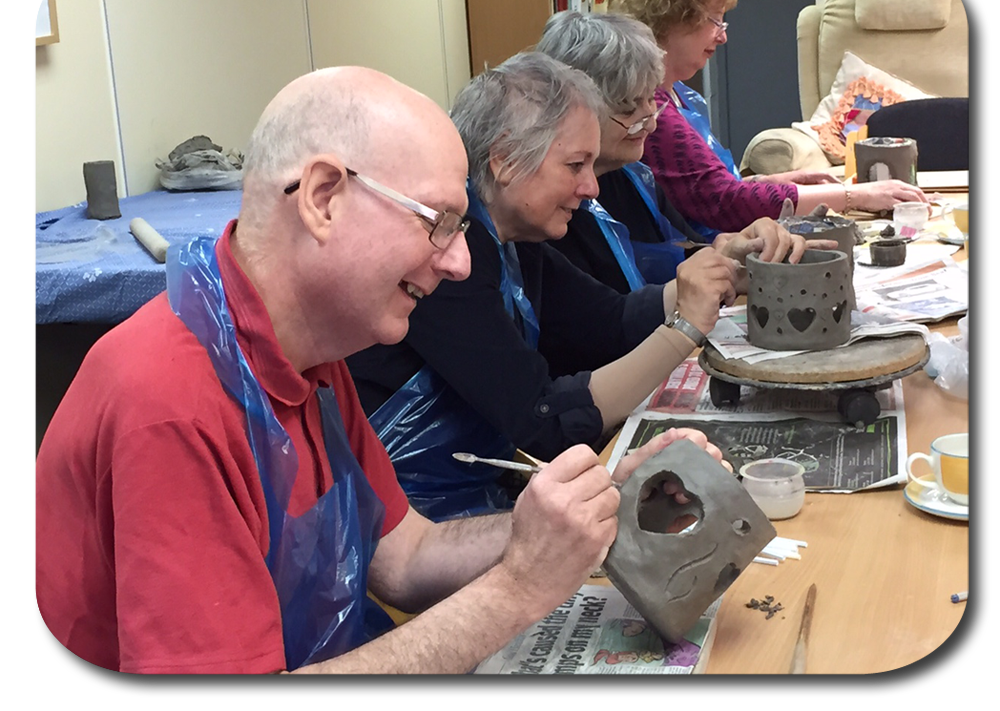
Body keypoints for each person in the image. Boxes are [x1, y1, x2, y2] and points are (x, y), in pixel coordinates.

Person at [34, 66, 727, 675]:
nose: (458, 261)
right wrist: (517, 587)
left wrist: (590, 510)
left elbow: (402, 555)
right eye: (439, 223)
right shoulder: (170, 402)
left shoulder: (312, 353)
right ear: (323, 198)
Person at [346, 52, 812, 521]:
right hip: (415, 518)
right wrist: (684, 328)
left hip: (473, 490)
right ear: (505, 161)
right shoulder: (450, 261)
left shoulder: (512, 235)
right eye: (575, 165)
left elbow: (606, 321)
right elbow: (541, 421)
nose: (591, 187)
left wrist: (722, 270)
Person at [609, 0, 929, 232]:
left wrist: (776, 181)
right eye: (716, 21)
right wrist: (854, 195)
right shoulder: (653, 112)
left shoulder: (681, 97)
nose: (723, 36)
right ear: (675, 17)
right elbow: (724, 202)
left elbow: (704, 186)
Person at [535, 10, 826, 295]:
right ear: (576, 107)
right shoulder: (551, 211)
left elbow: (688, 249)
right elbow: (604, 321)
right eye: (629, 107)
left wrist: (735, 251)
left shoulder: (633, 176)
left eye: (651, 98)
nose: (651, 121)